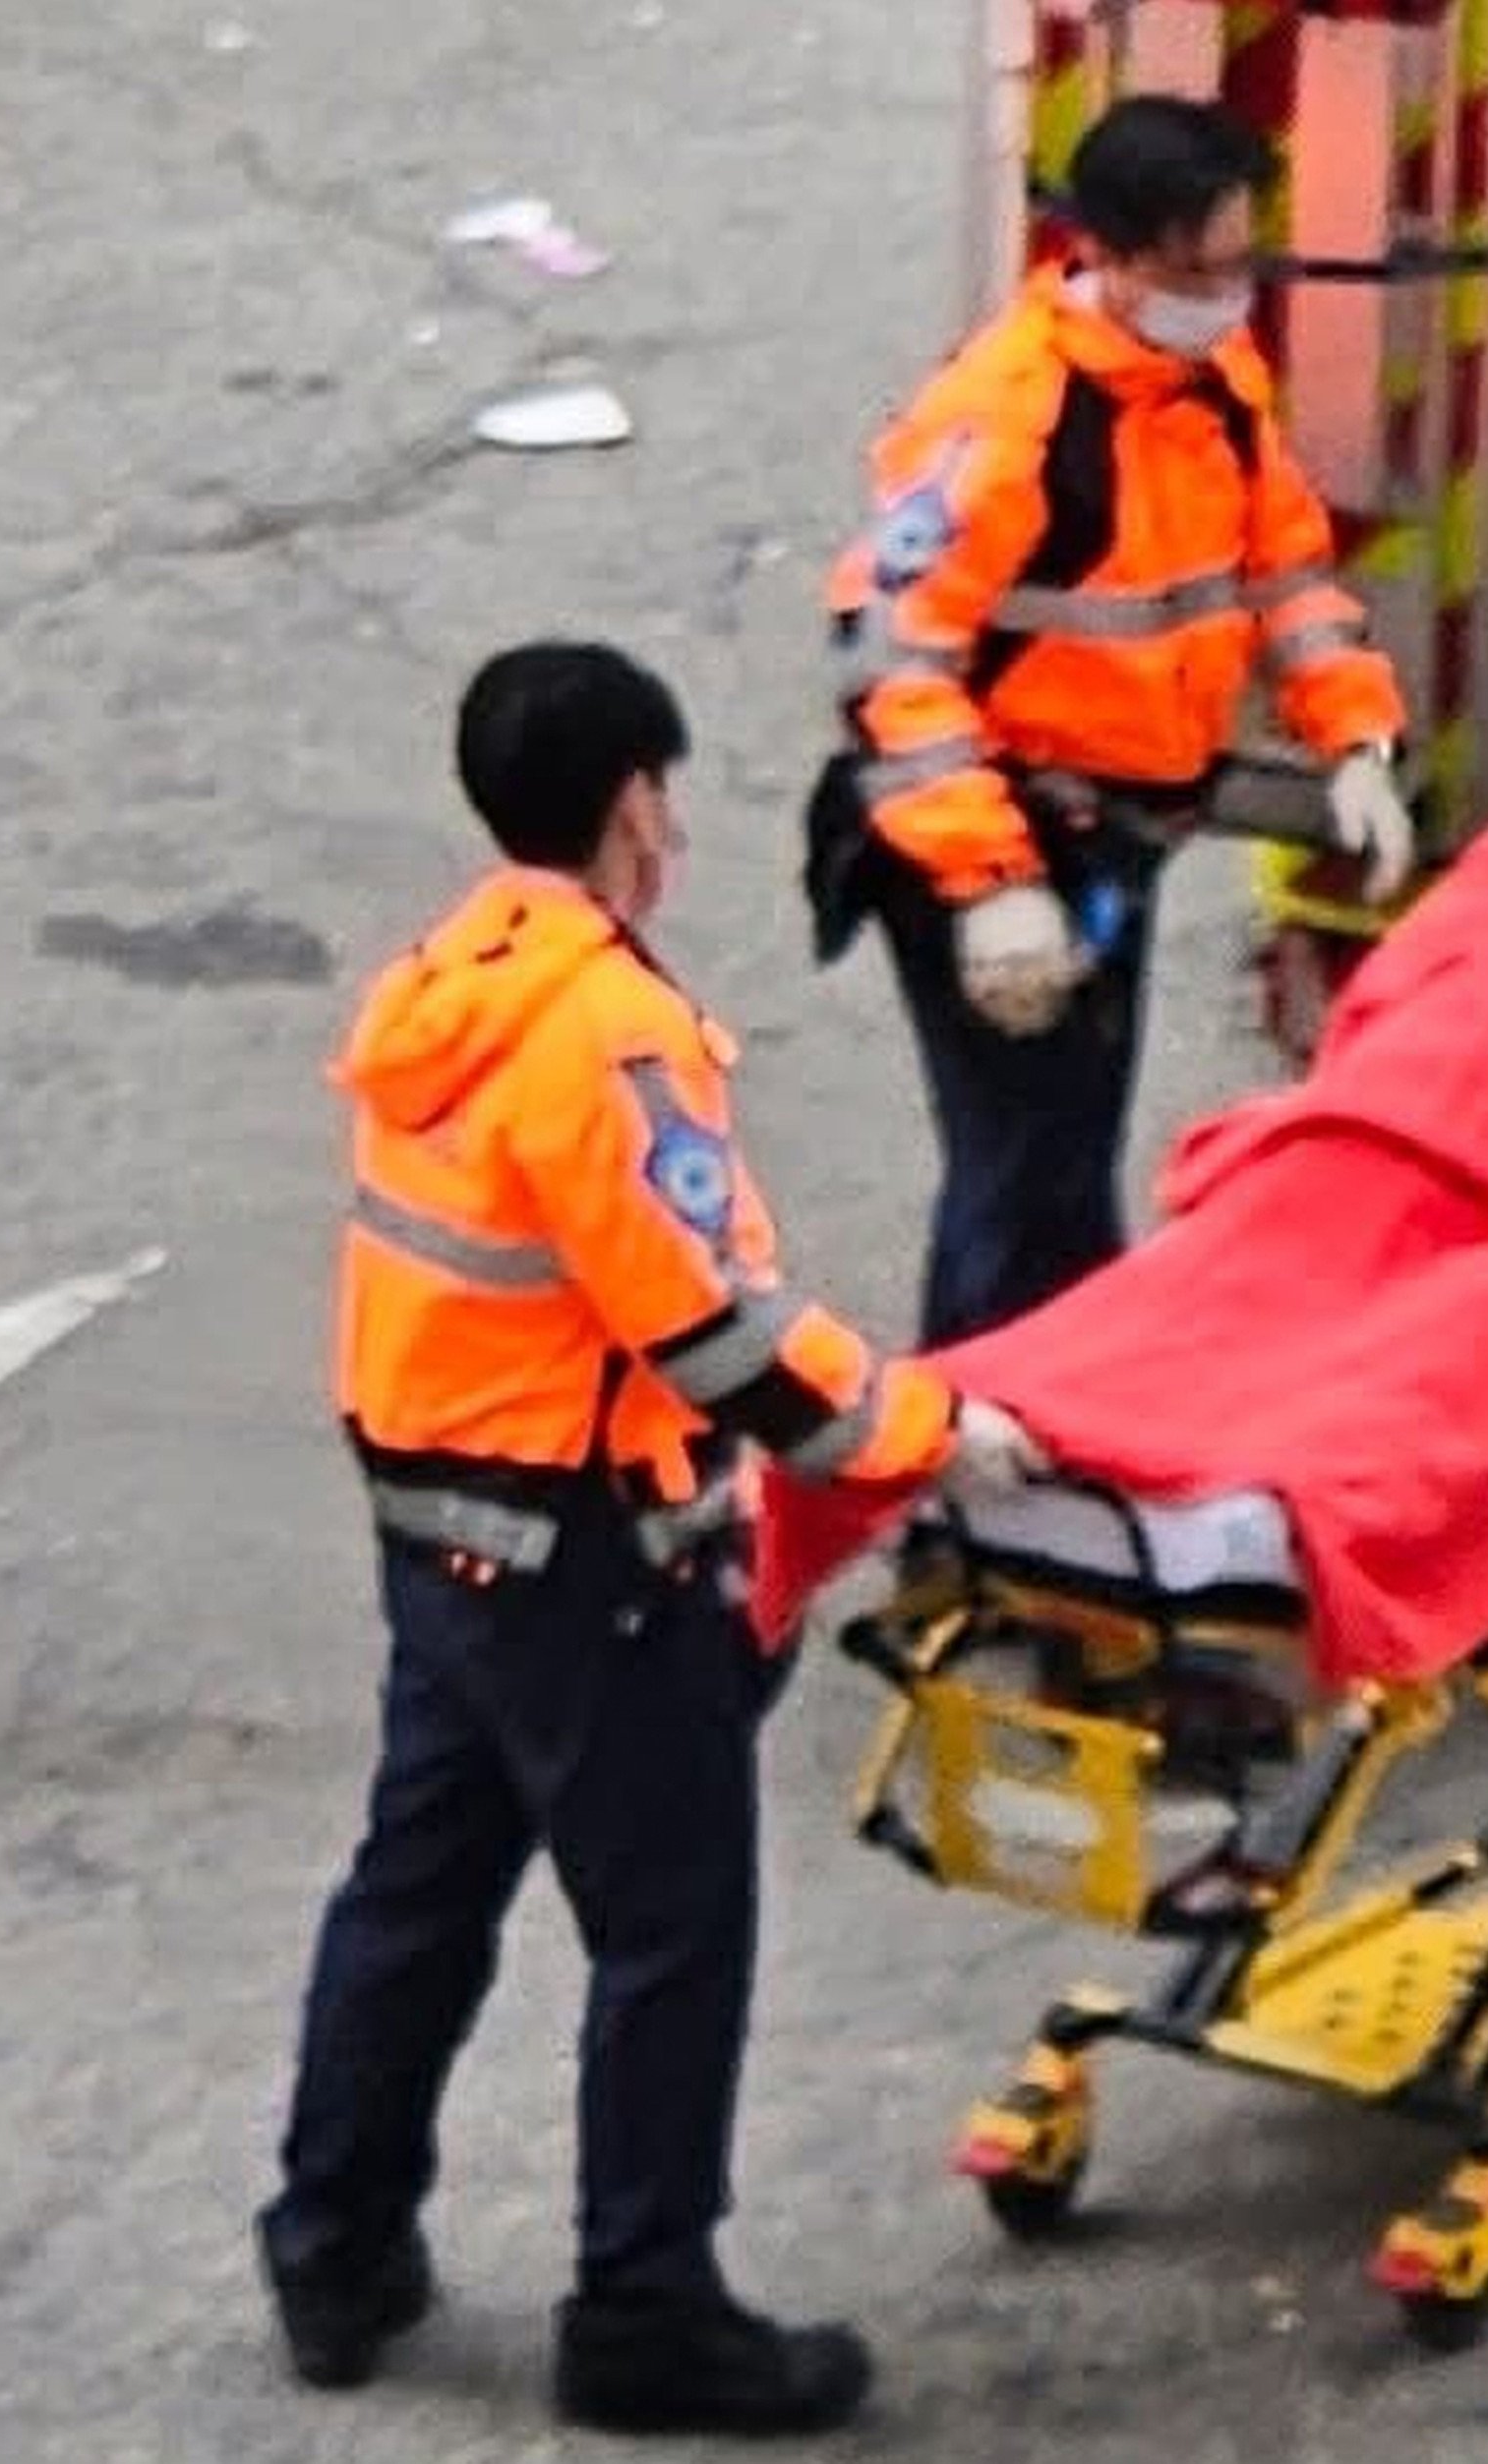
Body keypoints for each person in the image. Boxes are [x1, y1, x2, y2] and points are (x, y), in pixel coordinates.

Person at [259, 642, 1051, 2433]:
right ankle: (645, 2311)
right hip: (583, 1556)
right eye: (666, 796)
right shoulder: (603, 1032)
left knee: (419, 1889)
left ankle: (333, 2242)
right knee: (674, 1930)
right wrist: (930, 1432)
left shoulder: (450, 981)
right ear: (634, 805)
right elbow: (715, 1327)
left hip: (443, 1530)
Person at [749, 762, 1488, 1690]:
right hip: (1487, 1141)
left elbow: (1429, 972)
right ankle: (1197, 1465)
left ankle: (995, 1417)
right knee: (1351, 1313)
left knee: (1262, 1299)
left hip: (1465, 1127)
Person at [817, 93, 1416, 1346]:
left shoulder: (1208, 375)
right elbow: (889, 660)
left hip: (1114, 832)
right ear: (1114, 253)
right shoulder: (1007, 419)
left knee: (1068, 1150)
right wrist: (990, 887)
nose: (1234, 287)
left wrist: (1355, 734)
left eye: (1245, 254)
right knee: (1022, 1166)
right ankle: (971, 1464)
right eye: (1210, 263)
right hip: (996, 835)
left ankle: (1049, 1428)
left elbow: (1286, 578)